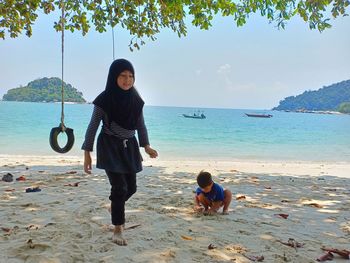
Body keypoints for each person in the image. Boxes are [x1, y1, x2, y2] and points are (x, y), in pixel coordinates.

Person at [82, 58, 158, 246]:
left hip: (129, 146)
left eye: (131, 76)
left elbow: (141, 125)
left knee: (131, 188)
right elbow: (93, 126)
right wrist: (87, 153)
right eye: (123, 76)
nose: (127, 80)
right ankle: (118, 228)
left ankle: (115, 205)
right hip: (109, 146)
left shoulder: (136, 99)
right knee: (120, 188)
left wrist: (146, 146)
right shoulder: (104, 99)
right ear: (114, 76)